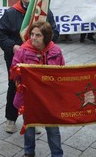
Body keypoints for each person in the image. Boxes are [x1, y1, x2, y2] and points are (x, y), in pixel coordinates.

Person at [0, 0, 59, 134]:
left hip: (39, 58)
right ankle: (11, 118)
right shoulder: (11, 13)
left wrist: (44, 45)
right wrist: (13, 47)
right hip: (17, 58)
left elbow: (55, 32)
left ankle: (33, 119)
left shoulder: (44, 11)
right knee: (14, 87)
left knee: (37, 89)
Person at [11, 21, 64, 157]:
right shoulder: (23, 50)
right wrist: (18, 72)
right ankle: (29, 152)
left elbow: (62, 72)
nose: (33, 38)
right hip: (30, 97)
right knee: (29, 126)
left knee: (52, 128)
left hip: (49, 97)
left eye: (38, 35)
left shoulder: (56, 51)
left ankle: (57, 154)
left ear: (46, 37)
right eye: (32, 34)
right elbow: (13, 69)